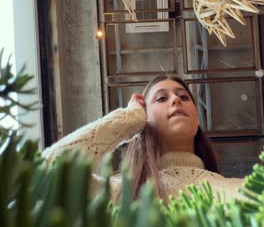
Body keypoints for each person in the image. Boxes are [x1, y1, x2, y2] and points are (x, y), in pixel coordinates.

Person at [43, 74, 244, 202]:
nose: (175, 99)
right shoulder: (118, 192)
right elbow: (46, 174)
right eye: (161, 98)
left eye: (183, 97)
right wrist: (128, 118)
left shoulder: (242, 188)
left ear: (197, 120)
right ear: (143, 117)